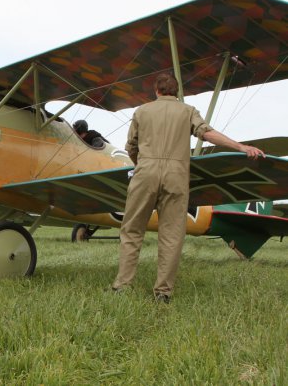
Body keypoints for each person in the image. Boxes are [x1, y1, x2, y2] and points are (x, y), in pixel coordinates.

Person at [112, 73, 264, 303]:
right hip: (176, 177)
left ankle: (122, 286)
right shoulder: (188, 110)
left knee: (132, 230)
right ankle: (163, 293)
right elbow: (208, 133)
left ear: (157, 91)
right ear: (176, 92)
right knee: (171, 235)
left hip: (145, 173)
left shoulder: (141, 111)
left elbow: (131, 147)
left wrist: (142, 165)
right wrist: (241, 146)